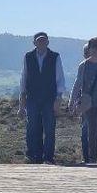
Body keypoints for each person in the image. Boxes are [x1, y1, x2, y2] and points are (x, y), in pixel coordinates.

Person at [19, 32, 65, 165]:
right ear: (34, 43)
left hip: (49, 98)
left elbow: (60, 78)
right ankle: (34, 155)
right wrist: (22, 100)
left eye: (44, 41)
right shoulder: (28, 57)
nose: (41, 43)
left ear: (48, 42)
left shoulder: (55, 57)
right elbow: (24, 78)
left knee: (49, 128)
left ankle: (48, 157)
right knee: (33, 126)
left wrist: (58, 98)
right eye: (39, 41)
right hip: (32, 97)